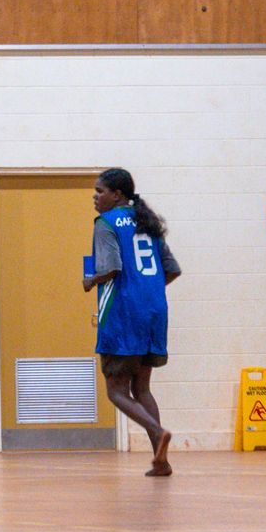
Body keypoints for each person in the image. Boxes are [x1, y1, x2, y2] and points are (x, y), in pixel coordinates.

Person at [84, 167, 180, 477]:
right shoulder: (146, 222)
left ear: (117, 195)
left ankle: (157, 430)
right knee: (142, 387)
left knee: (115, 391)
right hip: (155, 311)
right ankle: (161, 461)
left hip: (123, 313)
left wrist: (89, 281)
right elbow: (172, 270)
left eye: (100, 192)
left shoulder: (106, 223)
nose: (95, 198)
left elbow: (111, 268)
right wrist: (146, 289)